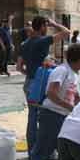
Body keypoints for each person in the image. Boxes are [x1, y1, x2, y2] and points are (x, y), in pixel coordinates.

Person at [21, 44, 80, 160]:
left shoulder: (74, 74)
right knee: (43, 150)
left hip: (65, 117)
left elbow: (75, 96)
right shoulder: (61, 71)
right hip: (52, 116)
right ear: (79, 58)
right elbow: (51, 93)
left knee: (72, 149)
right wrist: (70, 107)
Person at [17, 16, 71, 151]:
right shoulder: (43, 41)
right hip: (41, 84)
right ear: (42, 26)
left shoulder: (25, 44)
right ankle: (44, 150)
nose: (47, 28)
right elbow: (66, 32)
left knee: (32, 117)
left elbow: (19, 67)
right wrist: (54, 22)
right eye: (46, 26)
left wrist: (29, 74)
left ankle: (31, 149)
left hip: (29, 83)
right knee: (45, 118)